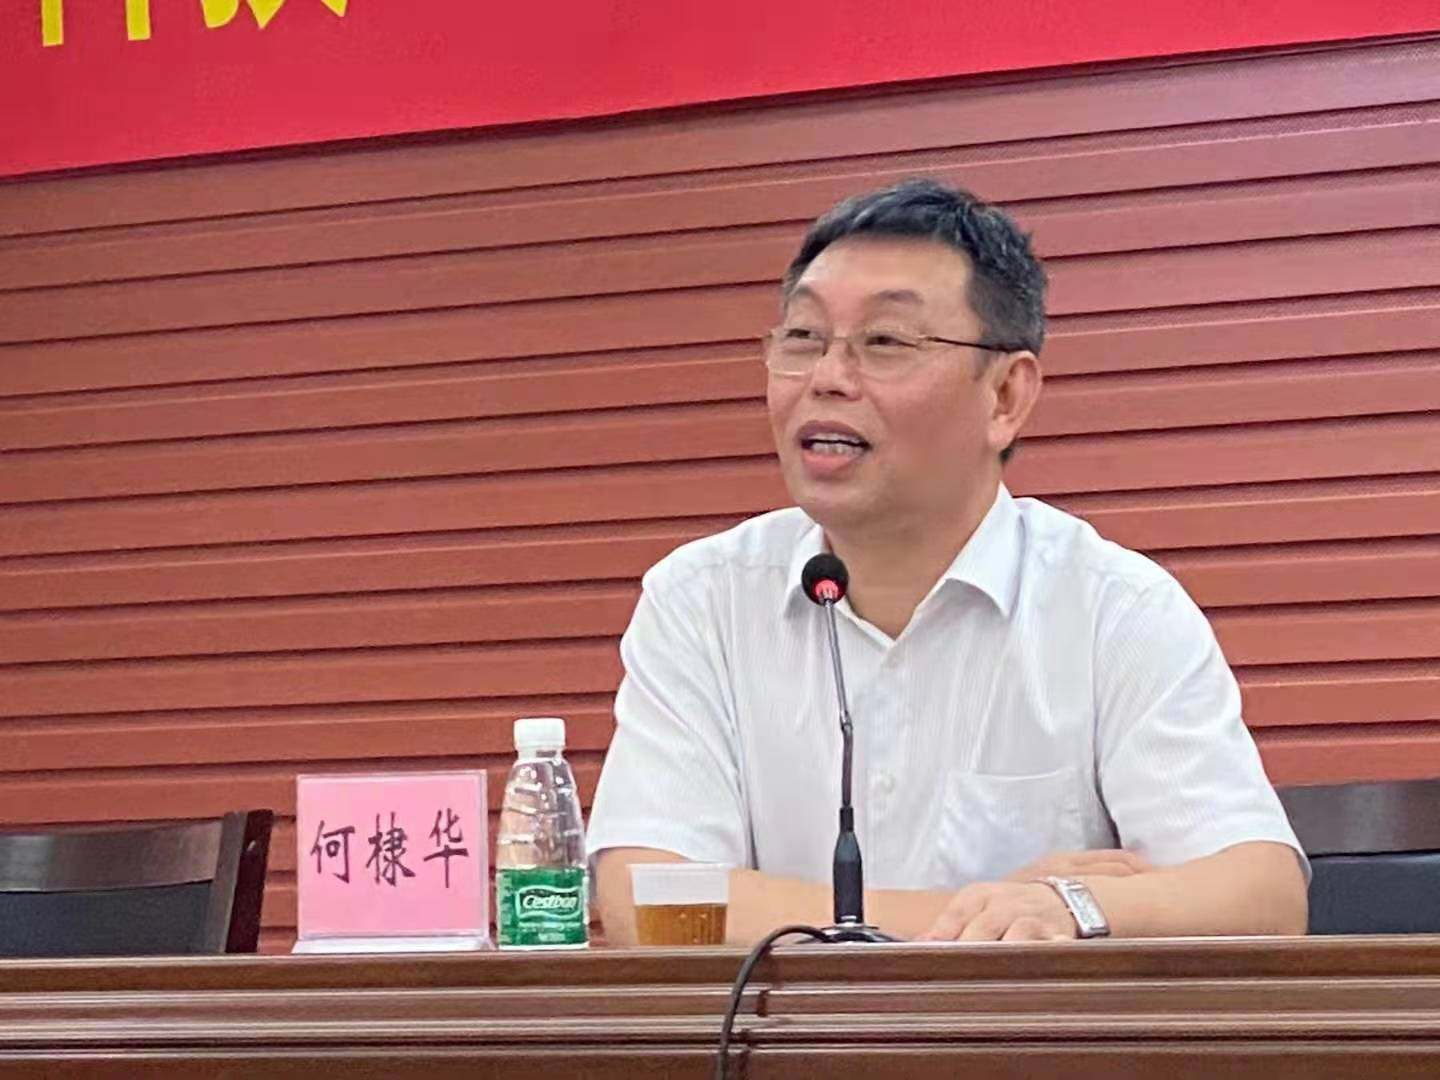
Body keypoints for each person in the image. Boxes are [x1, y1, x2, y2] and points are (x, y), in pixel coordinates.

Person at [586, 178, 1308, 945]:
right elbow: (647, 899)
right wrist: (994, 916)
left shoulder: (1113, 609)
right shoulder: (703, 601)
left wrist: (1065, 907)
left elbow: (1261, 897)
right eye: (802, 338)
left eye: (885, 342)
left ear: (1005, 397)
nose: (827, 377)